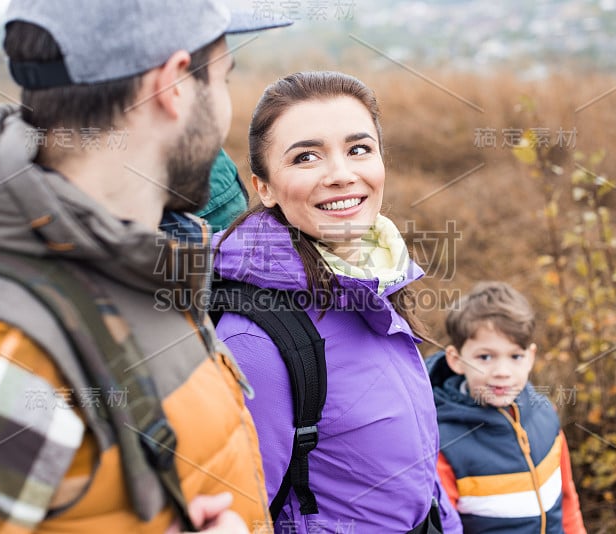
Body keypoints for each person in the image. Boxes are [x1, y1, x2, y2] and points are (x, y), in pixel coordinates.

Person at [0, 0, 290, 532]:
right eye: (222, 78)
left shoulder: (135, 265)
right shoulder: (0, 353)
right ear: (174, 85)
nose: (226, 107)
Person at [213, 71, 462, 533]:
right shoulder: (255, 341)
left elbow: (412, 458)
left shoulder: (375, 277)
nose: (342, 174)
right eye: (306, 156)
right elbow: (239, 517)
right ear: (264, 187)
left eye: (359, 149)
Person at [426, 281, 586, 533]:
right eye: (485, 357)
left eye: (515, 356)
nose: (502, 372)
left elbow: (567, 500)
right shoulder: (442, 443)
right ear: (456, 360)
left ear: (530, 357)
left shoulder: (545, 415)